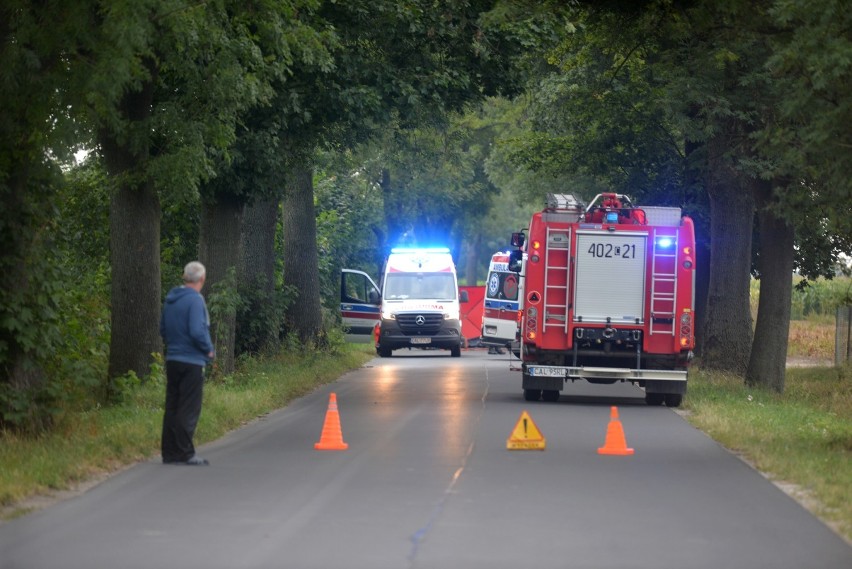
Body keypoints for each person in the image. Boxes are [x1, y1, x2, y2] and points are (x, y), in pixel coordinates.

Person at [159, 261, 215, 466]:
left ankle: (169, 452)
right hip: (192, 360)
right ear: (202, 279)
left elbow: (163, 329)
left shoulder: (171, 299)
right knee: (189, 407)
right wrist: (208, 349)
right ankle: (185, 453)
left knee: (172, 405)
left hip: (173, 358)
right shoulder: (196, 300)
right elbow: (197, 330)